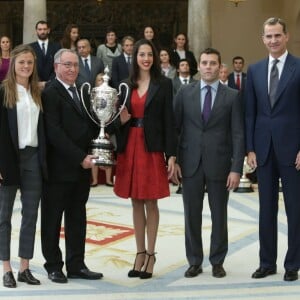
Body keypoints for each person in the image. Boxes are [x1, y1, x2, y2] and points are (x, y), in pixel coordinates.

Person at [173, 47, 244, 279]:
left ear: (220, 67)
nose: (208, 67)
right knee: (191, 214)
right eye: (204, 63)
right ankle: (194, 261)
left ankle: (217, 261)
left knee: (219, 215)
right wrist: (174, 159)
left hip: (220, 165)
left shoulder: (232, 96)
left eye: (213, 63)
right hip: (190, 162)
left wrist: (236, 168)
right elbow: (176, 129)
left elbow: (238, 134)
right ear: (198, 66)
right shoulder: (184, 93)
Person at [111, 39, 177, 279]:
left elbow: (169, 121)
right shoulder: (125, 85)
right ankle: (139, 253)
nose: (146, 59)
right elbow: (115, 121)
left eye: (150, 54)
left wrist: (172, 154)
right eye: (142, 55)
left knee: (151, 201)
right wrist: (122, 121)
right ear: (135, 57)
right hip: (130, 146)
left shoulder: (164, 84)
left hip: (152, 148)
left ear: (155, 57)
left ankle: (150, 254)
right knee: (135, 201)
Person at [41, 48, 102, 283]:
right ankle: (54, 266)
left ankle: (76, 265)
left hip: (80, 170)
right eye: (67, 65)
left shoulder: (82, 91)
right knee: (52, 219)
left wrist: (114, 123)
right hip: (58, 169)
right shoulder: (51, 92)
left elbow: (93, 124)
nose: (72, 69)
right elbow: (54, 132)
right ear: (56, 67)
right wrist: (80, 157)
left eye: (75, 65)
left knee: (77, 218)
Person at [246, 17, 300, 282]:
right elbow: (250, 114)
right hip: (264, 150)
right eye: (268, 36)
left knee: (295, 210)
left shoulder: (299, 67)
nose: (273, 40)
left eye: (277, 35)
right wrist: (250, 148)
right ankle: (267, 263)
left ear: (286, 36)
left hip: (293, 151)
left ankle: (293, 264)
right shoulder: (254, 71)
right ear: (263, 39)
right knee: (266, 209)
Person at [0, 44, 47, 288]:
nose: (26, 66)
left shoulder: (37, 93)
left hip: (32, 158)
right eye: (22, 62)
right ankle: (6, 268)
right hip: (8, 158)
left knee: (30, 214)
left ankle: (24, 267)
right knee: (3, 216)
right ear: (13, 65)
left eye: (30, 62)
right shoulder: (3, 92)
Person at [90, 73, 114, 187]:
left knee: (108, 153)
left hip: (108, 130)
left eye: (103, 79)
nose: (101, 81)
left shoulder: (111, 96)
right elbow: (91, 114)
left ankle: (109, 179)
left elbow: (113, 115)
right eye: (99, 79)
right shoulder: (93, 96)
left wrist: (108, 131)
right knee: (94, 154)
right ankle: (94, 180)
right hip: (94, 129)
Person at [29, 20, 61, 90]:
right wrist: (37, 82)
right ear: (36, 31)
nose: (42, 32)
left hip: (52, 85)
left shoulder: (57, 46)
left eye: (44, 29)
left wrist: (49, 82)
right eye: (40, 29)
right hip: (35, 85)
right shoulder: (30, 47)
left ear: (48, 30)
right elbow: (29, 66)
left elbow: (58, 65)